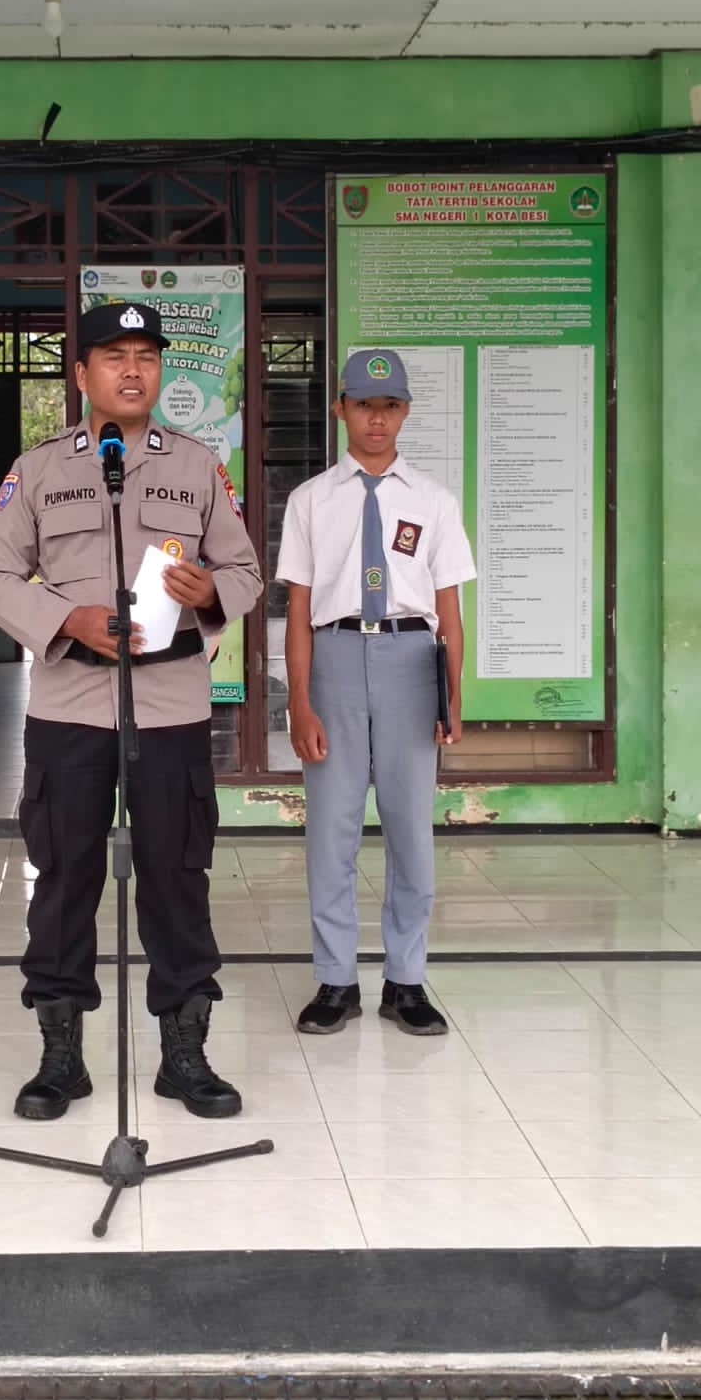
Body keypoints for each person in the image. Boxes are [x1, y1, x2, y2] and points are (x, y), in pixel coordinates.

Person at [0, 301, 263, 1120]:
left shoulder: (201, 467)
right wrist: (64, 619)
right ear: (82, 374)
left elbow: (243, 568)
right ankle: (61, 1055)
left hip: (169, 702)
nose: (132, 370)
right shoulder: (36, 471)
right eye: (113, 357)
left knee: (176, 873)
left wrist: (214, 590)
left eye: (145, 355)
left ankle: (184, 1050)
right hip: (70, 703)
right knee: (64, 875)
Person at [276, 349, 475, 1037]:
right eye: (364, 404)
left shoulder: (435, 502)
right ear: (341, 410)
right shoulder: (310, 501)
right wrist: (299, 701)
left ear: (406, 412)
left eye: (389, 406)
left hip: (409, 659)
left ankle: (405, 980)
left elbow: (448, 612)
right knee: (330, 833)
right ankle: (335, 979)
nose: (377, 418)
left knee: (410, 831)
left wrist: (451, 697)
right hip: (333, 655)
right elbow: (298, 612)